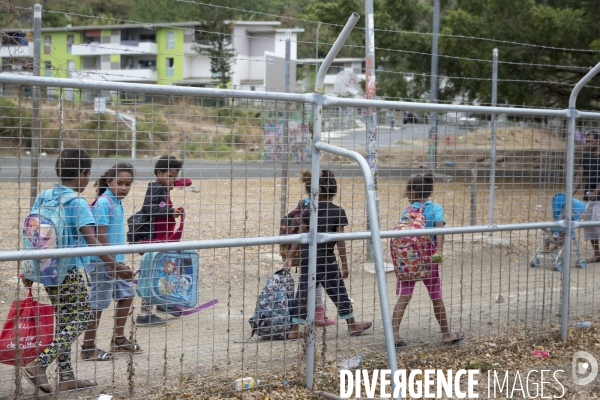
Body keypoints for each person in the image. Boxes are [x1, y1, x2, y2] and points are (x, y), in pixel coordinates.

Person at [22, 149, 133, 393]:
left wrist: (27, 268)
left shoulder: (44, 195)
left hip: (46, 269)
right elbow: (93, 240)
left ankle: (66, 377)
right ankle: (40, 364)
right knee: (82, 315)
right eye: (88, 174)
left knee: (65, 321)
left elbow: (33, 233)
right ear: (83, 174)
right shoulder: (78, 202)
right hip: (67, 270)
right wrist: (115, 265)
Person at [284, 170, 372, 339]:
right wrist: (344, 265)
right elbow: (340, 241)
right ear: (332, 190)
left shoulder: (308, 211)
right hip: (326, 259)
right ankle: (352, 324)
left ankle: (294, 329)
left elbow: (301, 237)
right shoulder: (337, 211)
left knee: (303, 293)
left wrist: (290, 257)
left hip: (307, 258)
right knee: (338, 291)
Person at [391, 173, 463, 348]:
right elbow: (440, 230)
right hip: (429, 255)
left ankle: (393, 335)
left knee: (405, 295)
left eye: (408, 192)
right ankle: (446, 333)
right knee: (436, 294)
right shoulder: (435, 208)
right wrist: (438, 250)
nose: (407, 196)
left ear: (414, 193)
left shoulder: (407, 211)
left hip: (408, 259)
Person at [81, 163, 142, 361]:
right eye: (120, 183)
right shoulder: (104, 202)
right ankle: (88, 348)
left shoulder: (116, 201)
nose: (124, 187)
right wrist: (113, 264)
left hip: (115, 261)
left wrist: (118, 263)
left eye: (128, 184)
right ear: (109, 182)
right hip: (103, 261)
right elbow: (100, 234)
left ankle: (118, 339)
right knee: (98, 303)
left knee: (127, 294)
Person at [136, 155, 185, 326]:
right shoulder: (156, 187)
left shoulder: (163, 188)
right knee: (154, 272)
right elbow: (148, 208)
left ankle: (162, 302)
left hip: (162, 239)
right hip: (155, 240)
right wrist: (171, 212)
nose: (173, 180)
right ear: (159, 173)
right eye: (170, 176)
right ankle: (144, 314)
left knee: (165, 271)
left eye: (175, 176)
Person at [298, 171, 335, 327]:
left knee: (305, 284)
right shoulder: (316, 206)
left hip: (303, 249)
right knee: (317, 285)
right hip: (319, 251)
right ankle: (319, 316)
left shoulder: (302, 204)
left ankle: (307, 316)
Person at [574, 130, 600, 263]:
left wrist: (597, 191)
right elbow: (580, 175)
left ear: (598, 142)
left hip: (598, 198)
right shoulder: (585, 157)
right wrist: (571, 191)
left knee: (597, 223)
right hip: (589, 197)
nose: (588, 144)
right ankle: (597, 253)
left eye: (591, 141)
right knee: (589, 226)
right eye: (586, 141)